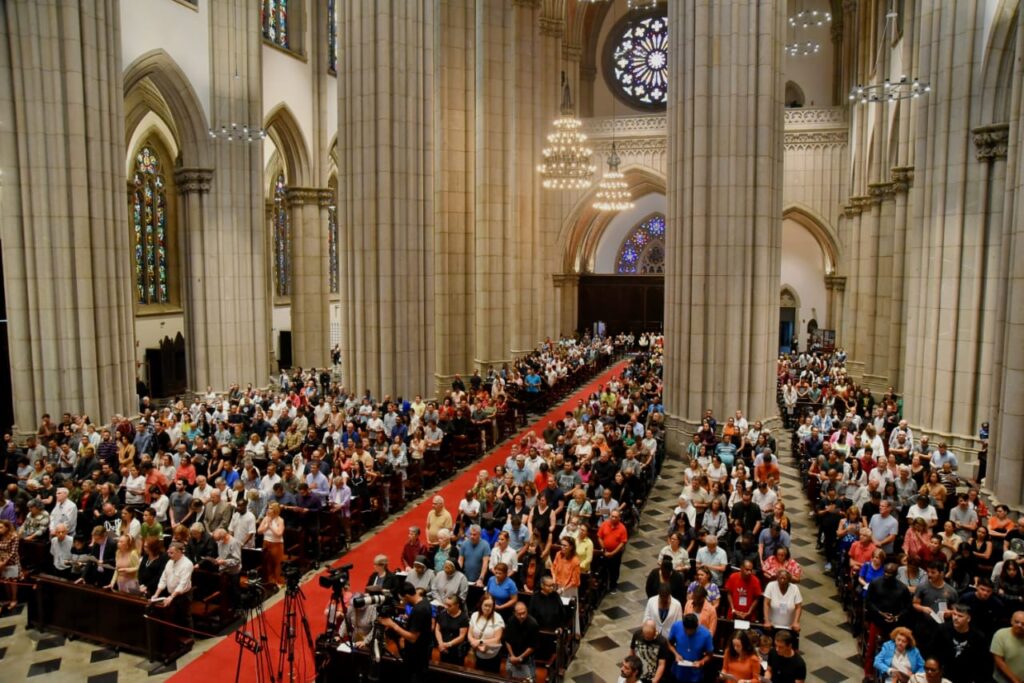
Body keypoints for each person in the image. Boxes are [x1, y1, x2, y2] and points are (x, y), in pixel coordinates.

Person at [378, 582, 432, 683]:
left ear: (407, 595)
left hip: (416, 657)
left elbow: (412, 638)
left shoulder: (419, 610)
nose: (402, 602)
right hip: (421, 653)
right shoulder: (424, 601)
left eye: (402, 599)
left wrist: (393, 625)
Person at [937, 603, 991, 682]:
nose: (955, 618)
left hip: (966, 676)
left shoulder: (978, 637)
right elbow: (934, 651)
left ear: (968, 619)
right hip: (945, 674)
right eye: (954, 614)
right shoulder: (942, 630)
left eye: (960, 616)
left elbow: (983, 662)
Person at [151, 541, 194, 623]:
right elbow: (163, 578)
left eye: (172, 553)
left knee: (185, 618)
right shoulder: (170, 562)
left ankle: (190, 635)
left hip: (183, 596)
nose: (169, 555)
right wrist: (156, 594)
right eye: (168, 552)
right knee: (173, 618)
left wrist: (171, 597)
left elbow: (182, 584)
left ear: (179, 552)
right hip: (171, 594)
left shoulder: (188, 564)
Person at [666, 613, 713, 683]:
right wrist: (676, 654)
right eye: (686, 630)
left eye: (692, 631)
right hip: (677, 670)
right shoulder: (676, 626)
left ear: (697, 626)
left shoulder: (706, 634)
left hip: (695, 674)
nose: (688, 633)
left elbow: (709, 655)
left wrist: (701, 662)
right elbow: (669, 643)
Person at [467, 593, 505, 673]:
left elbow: (497, 639)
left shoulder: (497, 618)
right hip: (478, 653)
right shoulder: (474, 615)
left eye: (490, 606)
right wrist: (475, 644)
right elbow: (469, 634)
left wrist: (480, 642)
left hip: (492, 656)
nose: (487, 608)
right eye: (485, 605)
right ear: (481, 604)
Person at [763, 570, 802, 645]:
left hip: (789, 627)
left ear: (789, 580)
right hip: (772, 626)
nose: (783, 580)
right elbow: (766, 604)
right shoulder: (771, 586)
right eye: (780, 578)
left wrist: (796, 622)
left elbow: (798, 607)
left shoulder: (795, 588)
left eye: (785, 578)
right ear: (777, 578)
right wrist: (767, 621)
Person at [504, 600, 539, 680]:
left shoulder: (533, 624)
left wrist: (520, 658)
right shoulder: (511, 621)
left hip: (527, 657)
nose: (522, 616)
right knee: (509, 677)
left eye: (524, 613)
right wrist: (512, 656)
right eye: (519, 614)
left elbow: (532, 646)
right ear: (514, 613)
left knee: (530, 679)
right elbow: (507, 640)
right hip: (512, 655)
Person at [434, 594, 470, 665]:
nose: (446, 607)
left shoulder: (463, 618)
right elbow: (437, 629)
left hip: (456, 650)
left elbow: (462, 636)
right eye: (446, 604)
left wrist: (448, 644)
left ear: (457, 605)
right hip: (443, 647)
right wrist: (441, 643)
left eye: (449, 606)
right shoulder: (442, 614)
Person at [598, 509, 628, 590]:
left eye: (616, 517)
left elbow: (622, 543)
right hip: (605, 552)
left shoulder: (622, 528)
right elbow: (600, 537)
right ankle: (603, 585)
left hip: (616, 554)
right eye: (612, 516)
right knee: (603, 569)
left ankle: (613, 585)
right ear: (610, 516)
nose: (613, 518)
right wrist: (604, 550)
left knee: (614, 570)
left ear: (619, 518)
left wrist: (612, 553)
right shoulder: (604, 524)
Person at [992, 610, 1024, 683]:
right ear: (1011, 621)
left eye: (1023, 624)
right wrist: (1016, 681)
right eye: (1017, 622)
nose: (1019, 625)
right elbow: (999, 661)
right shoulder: (1000, 635)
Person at [258, 502, 285, 586]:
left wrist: (271, 526)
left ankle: (277, 580)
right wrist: (266, 526)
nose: (268, 510)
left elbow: (279, 533)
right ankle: (270, 580)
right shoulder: (266, 518)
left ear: (275, 510)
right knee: (267, 562)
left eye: (270, 508)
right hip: (266, 542)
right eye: (268, 508)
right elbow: (259, 531)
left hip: (276, 544)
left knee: (276, 563)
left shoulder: (280, 520)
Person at [0, 520, 20, 609]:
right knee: (5, 581)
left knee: (12, 582)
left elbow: (13, 552)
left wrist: (4, 562)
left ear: (7, 527)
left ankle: (14, 599)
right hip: (1, 561)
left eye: (1, 527)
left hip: (12, 562)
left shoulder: (14, 537)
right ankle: (8, 599)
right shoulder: (0, 536)